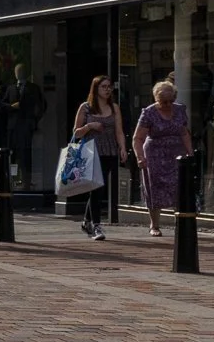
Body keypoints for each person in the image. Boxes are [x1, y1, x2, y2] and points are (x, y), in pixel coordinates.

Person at [132, 78, 193, 238]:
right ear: (156, 99)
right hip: (155, 154)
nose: (167, 105)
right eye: (163, 102)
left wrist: (190, 153)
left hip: (176, 154)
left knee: (178, 187)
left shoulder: (179, 110)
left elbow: (184, 133)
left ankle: (180, 222)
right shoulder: (149, 112)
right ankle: (154, 225)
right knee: (154, 188)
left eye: (170, 101)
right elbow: (138, 138)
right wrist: (140, 157)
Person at [70, 74, 124, 239]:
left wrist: (122, 148)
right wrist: (89, 126)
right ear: (96, 89)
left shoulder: (114, 108)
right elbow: (76, 133)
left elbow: (119, 131)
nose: (107, 90)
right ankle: (96, 225)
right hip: (91, 152)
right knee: (96, 188)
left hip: (109, 151)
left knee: (99, 188)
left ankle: (87, 221)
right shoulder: (86, 107)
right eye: (104, 87)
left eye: (109, 87)